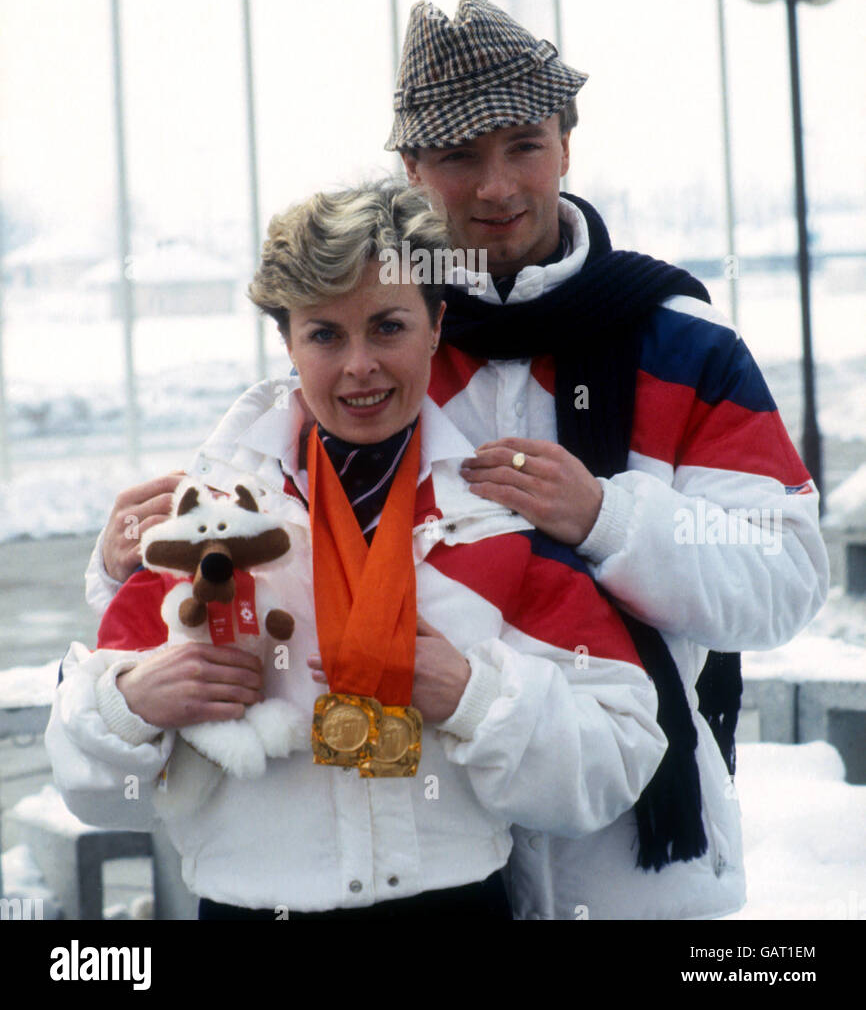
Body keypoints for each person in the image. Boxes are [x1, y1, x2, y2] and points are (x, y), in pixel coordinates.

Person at [48, 181, 665, 919]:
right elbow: (92, 791)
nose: (359, 365)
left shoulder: (499, 521)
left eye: (388, 327)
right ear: (287, 342)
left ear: (437, 327)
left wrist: (473, 699)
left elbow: (620, 756)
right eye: (325, 335)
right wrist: (128, 708)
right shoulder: (208, 531)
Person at [384, 0, 829, 920]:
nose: (498, 186)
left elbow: (785, 576)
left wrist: (607, 518)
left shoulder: (686, 345)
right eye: (461, 156)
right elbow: (276, 549)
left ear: (567, 144)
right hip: (431, 867)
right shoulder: (374, 356)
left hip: (644, 872)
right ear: (414, 168)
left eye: (523, 146)